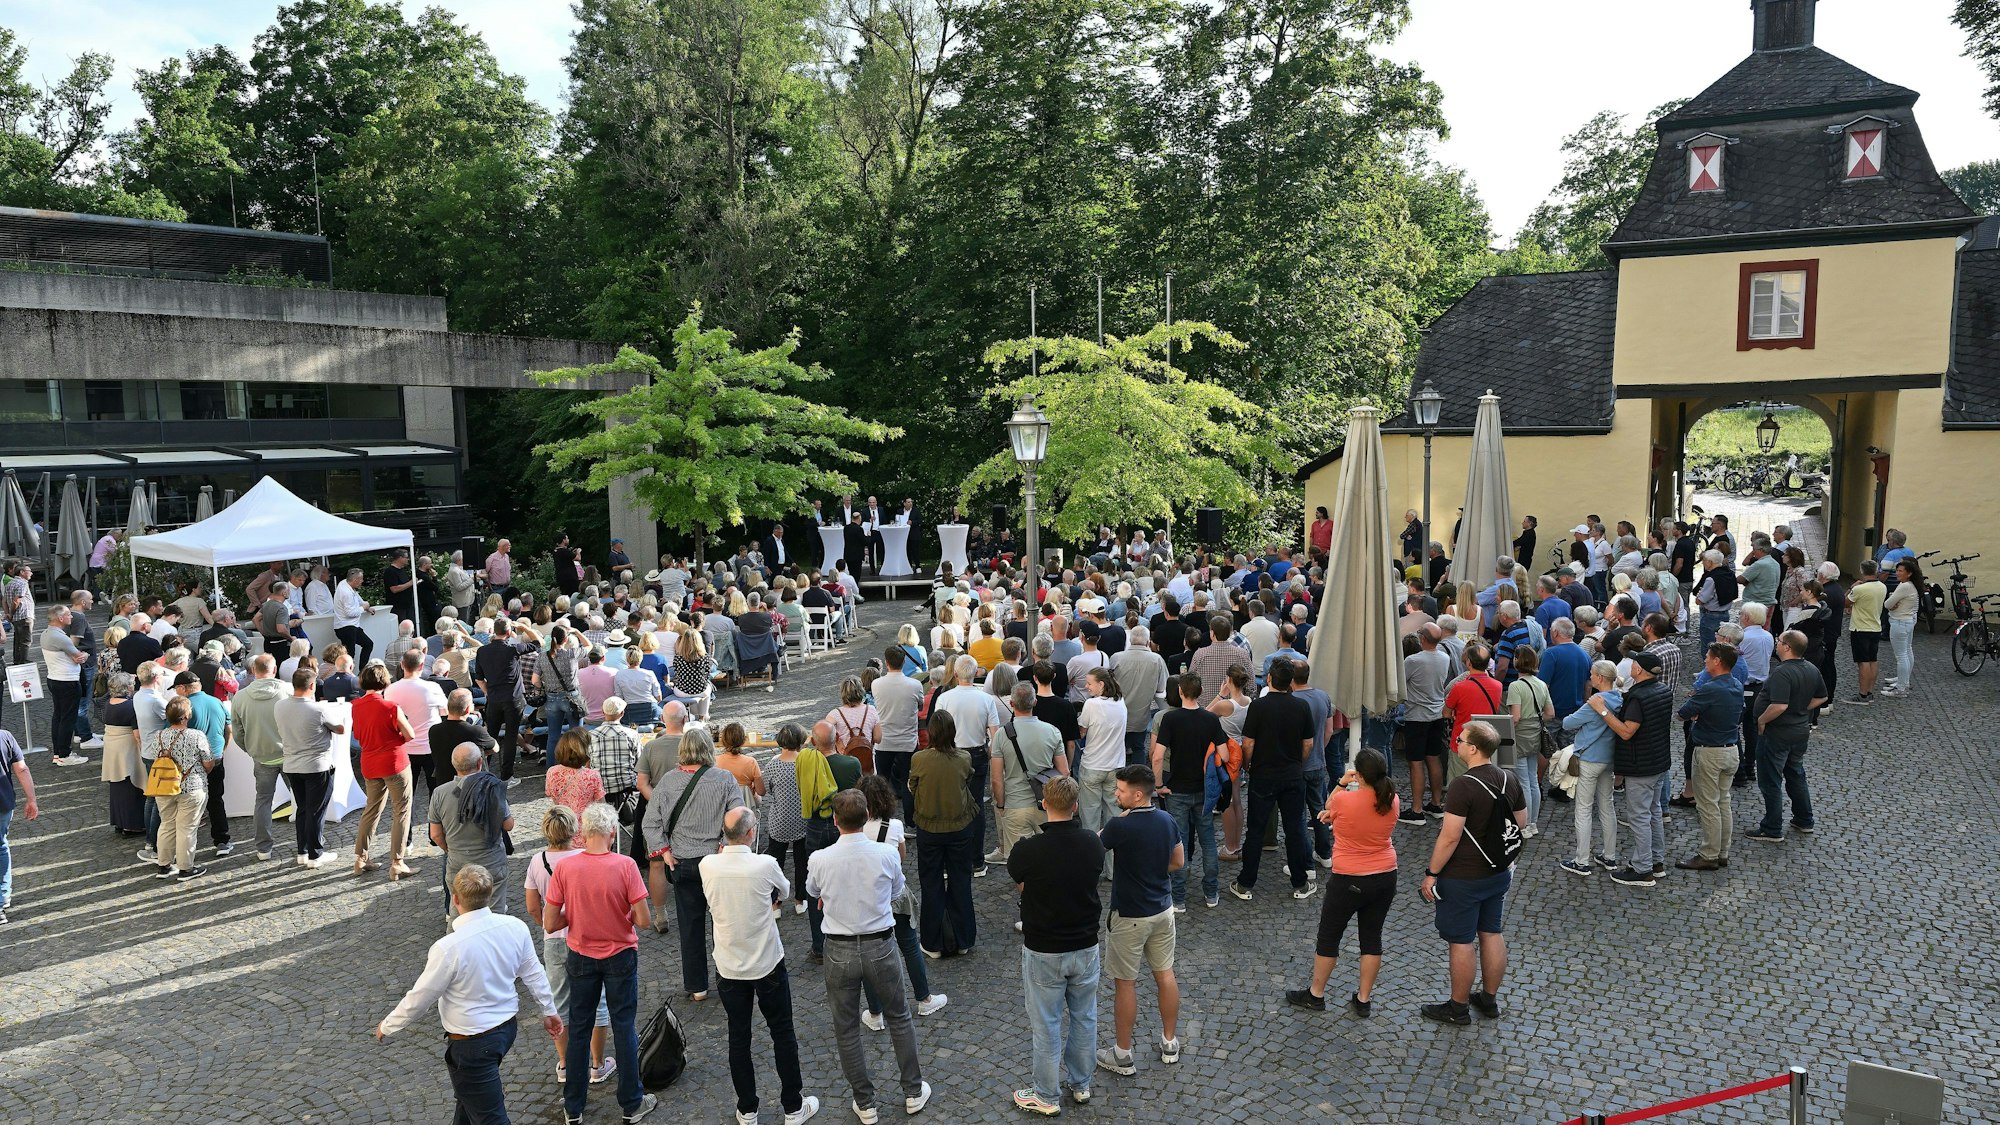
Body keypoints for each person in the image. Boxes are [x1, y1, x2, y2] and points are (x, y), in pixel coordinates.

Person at [376, 864, 563, 1125]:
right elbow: (533, 972)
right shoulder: (515, 927)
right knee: (469, 1100)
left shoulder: (448, 948)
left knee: (489, 1116)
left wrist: (389, 1025)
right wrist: (549, 1011)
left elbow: (421, 997)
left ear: (455, 898)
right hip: (505, 1031)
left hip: (472, 1044)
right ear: (490, 893)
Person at [807, 789, 933, 1122]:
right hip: (880, 943)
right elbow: (895, 892)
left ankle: (865, 1103)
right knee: (899, 1017)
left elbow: (812, 892)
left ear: (835, 821)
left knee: (846, 1028)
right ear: (866, 818)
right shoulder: (886, 855)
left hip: (838, 948)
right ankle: (913, 1091)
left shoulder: (819, 858)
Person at [542, 802, 659, 1125]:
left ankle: (574, 1106)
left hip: (580, 956)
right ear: (611, 833)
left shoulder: (565, 869)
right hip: (620, 955)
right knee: (624, 1026)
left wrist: (577, 914)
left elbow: (550, 923)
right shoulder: (625, 866)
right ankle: (631, 1103)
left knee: (578, 1028)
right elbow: (644, 920)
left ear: (583, 832)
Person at [705, 807, 821, 1125]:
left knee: (738, 1036)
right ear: (751, 832)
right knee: (782, 1032)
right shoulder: (765, 864)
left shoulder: (707, 865)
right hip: (766, 961)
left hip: (729, 965)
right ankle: (793, 1107)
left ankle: (747, 1108)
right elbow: (783, 890)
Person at [1417, 721, 1525, 1025]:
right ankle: (1488, 1000)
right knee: (1491, 932)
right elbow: (1519, 821)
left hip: (1463, 877)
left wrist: (1431, 873)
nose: (1457, 743)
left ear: (1473, 748)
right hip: (1498, 872)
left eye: (1461, 740)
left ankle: (1458, 1007)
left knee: (1461, 940)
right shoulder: (1509, 778)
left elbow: (1450, 836)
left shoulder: (1463, 785)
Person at [1007, 775, 1103, 1115]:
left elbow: (1019, 880)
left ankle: (1046, 1095)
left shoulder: (1028, 850)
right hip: (1085, 945)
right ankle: (1081, 1084)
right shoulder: (1092, 843)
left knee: (1046, 1023)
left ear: (1044, 804)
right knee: (1084, 1017)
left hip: (1044, 948)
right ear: (1076, 806)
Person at [1286, 748, 1399, 1015]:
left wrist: (1340, 783)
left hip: (1349, 877)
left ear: (1359, 774)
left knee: (1329, 937)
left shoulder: (1346, 801)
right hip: (1384, 875)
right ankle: (1363, 999)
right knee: (1372, 938)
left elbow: (1328, 806)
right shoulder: (1391, 799)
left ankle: (1316, 995)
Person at [640, 725, 744, 1000]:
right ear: (709, 748)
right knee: (726, 923)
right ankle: (731, 978)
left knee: (690, 928)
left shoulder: (668, 782)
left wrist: (663, 851)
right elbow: (739, 816)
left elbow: (650, 822)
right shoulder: (724, 778)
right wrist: (724, 842)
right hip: (717, 862)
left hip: (682, 863)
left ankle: (697, 987)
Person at [1093, 764, 1184, 1078]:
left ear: (1137, 794)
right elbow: (1178, 861)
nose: (1115, 795)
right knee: (1165, 976)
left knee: (1126, 984)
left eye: (1119, 791)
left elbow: (1092, 850)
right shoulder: (1167, 820)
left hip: (1130, 915)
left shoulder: (1121, 826)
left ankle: (1122, 1054)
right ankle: (1170, 1042)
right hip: (1162, 911)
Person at [523, 806, 614, 1087]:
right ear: (575, 830)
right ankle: (597, 1064)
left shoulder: (538, 861)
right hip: (586, 938)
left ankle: (565, 1064)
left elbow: (532, 906)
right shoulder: (583, 857)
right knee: (597, 1001)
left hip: (555, 942)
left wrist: (547, 926)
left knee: (558, 1002)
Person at [855, 775, 946, 1031]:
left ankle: (875, 1013)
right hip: (894, 895)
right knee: (910, 947)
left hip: (866, 899)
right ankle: (924, 998)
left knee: (869, 956)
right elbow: (900, 859)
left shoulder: (855, 830)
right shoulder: (894, 826)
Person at [1229, 658, 1315, 902]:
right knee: (1294, 830)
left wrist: (1248, 765)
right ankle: (1300, 882)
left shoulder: (1258, 707)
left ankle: (1246, 883)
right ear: (1290, 682)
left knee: (1255, 830)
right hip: (1292, 775)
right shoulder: (1301, 707)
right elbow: (1307, 743)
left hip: (1263, 776)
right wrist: (1297, 762)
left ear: (1269, 679)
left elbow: (1248, 742)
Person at [1594, 650, 1674, 887]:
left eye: (1634, 663)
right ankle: (1656, 862)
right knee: (1654, 812)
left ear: (1638, 670)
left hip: (1642, 764)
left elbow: (1627, 731)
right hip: (1659, 761)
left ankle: (1642, 869)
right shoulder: (1663, 690)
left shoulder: (1638, 697)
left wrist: (1603, 710)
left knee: (1639, 816)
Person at [1151, 673, 1225, 909]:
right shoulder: (1210, 720)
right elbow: (1224, 755)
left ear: (1181, 692)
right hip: (1204, 790)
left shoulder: (1170, 720)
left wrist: (1158, 785)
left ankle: (1179, 898)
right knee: (1208, 841)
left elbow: (1158, 756)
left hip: (1176, 790)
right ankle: (1211, 892)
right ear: (1201, 692)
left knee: (1179, 842)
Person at [907, 711, 978, 958]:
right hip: (960, 827)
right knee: (961, 882)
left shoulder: (919, 759)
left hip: (929, 827)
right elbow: (968, 780)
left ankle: (933, 942)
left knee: (931, 883)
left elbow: (912, 786)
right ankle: (964, 938)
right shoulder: (964, 757)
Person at [1749, 630, 1824, 843]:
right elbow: (1822, 697)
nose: (1777, 644)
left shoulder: (1782, 672)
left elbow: (1779, 705)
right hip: (1799, 731)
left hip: (1777, 733)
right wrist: (1800, 709)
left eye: (1779, 641)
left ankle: (1772, 828)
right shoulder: (1811, 668)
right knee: (1796, 774)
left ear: (1787, 647)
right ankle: (1804, 819)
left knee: (1771, 780)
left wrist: (1762, 720)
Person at [1675, 643, 1743, 872]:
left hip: (1710, 752)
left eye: (1707, 656)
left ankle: (1708, 854)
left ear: (1717, 661)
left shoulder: (1710, 688)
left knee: (1707, 806)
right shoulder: (1736, 684)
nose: (1704, 659)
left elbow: (1683, 713)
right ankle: (1722, 852)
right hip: (1730, 750)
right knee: (1723, 801)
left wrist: (1695, 714)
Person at [432, 743, 516, 916]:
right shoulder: (492, 789)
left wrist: (450, 849)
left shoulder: (440, 793)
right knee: (496, 914)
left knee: (457, 914)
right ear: (480, 763)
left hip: (457, 862)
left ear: (454, 764)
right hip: (492, 862)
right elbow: (508, 825)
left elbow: (435, 834)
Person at [352, 663, 418, 879]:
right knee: (401, 810)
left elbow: (360, 735)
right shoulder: (391, 707)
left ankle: (360, 858)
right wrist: (394, 739)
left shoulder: (356, 706)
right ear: (384, 682)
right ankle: (397, 861)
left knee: (371, 809)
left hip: (370, 762)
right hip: (394, 762)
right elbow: (410, 735)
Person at [275, 667, 345, 867]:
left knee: (303, 809)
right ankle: (315, 854)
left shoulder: (280, 706)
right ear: (312, 686)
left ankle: (302, 851)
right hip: (317, 765)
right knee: (316, 811)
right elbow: (340, 728)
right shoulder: (319, 709)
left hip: (291, 764)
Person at [991, 683, 1065, 863]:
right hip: (1046, 804)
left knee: (1019, 862)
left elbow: (996, 779)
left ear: (1011, 703)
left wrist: (1001, 805)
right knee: (1048, 858)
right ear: (1035, 702)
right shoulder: (1052, 731)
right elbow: (1064, 772)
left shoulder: (1001, 735)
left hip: (1015, 804)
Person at [147, 695, 214, 884]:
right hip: (192, 787)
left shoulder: (159, 736)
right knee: (187, 828)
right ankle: (186, 868)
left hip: (164, 786)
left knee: (167, 824)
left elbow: (155, 757)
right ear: (185, 716)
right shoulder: (196, 736)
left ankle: (164, 865)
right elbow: (208, 762)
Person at [1399, 625, 1453, 823]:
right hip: (1436, 714)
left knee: (1415, 763)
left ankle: (1416, 809)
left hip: (1417, 716)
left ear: (1422, 638)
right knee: (1434, 758)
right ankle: (1436, 803)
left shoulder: (1413, 661)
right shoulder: (1444, 658)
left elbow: (1400, 683)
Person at [1503, 645, 1552, 837]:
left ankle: (1524, 825)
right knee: (1533, 780)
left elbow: (1514, 718)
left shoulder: (1516, 686)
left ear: (1517, 662)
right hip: (1536, 735)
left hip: (1521, 737)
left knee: (1523, 783)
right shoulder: (1541, 683)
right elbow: (1550, 713)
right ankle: (1533, 823)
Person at [873, 647, 925, 815]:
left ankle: (882, 817)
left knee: (882, 783)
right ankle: (910, 821)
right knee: (908, 783)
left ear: (886, 663)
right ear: (904, 662)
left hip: (884, 741)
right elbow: (920, 706)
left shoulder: (876, 684)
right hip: (907, 742)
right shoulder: (915, 685)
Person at [1075, 667, 1128, 832]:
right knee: (1114, 818)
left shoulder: (1091, 704)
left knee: (1090, 818)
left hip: (1092, 765)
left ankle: (1092, 855)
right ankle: (1112, 856)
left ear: (1101, 684)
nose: (1086, 686)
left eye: (1089, 683)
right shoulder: (1120, 701)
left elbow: (1081, 732)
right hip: (1115, 766)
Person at [40, 605, 89, 765]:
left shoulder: (46, 633)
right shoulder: (60, 637)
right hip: (67, 681)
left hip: (54, 679)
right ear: (60, 618)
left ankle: (58, 753)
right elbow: (78, 656)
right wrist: (85, 655)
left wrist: (77, 656)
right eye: (68, 614)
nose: (71, 617)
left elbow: (75, 656)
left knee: (59, 717)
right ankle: (65, 755)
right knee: (67, 719)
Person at [0, 726, 38, 923]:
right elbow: (22, 769)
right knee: (1, 846)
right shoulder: (5, 736)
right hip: (3, 802)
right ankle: (3, 895)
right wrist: (31, 799)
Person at [1846, 560, 1885, 705]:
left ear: (1862, 571)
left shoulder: (1859, 589)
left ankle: (1862, 694)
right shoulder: (1882, 587)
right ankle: (1869, 691)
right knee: (1873, 660)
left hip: (1860, 628)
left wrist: (1852, 587)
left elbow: (1846, 602)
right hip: (1875, 627)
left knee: (1863, 662)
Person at [1882, 559, 1921, 698]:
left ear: (1909, 573)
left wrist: (1892, 599)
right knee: (1907, 651)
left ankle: (1901, 688)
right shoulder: (1909, 585)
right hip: (1907, 621)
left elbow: (1887, 604)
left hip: (1900, 622)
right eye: (1897, 570)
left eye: (1900, 571)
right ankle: (1904, 681)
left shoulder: (1904, 587)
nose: (1897, 573)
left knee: (1901, 656)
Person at [546, 730, 608, 818]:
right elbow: (602, 806)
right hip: (586, 826)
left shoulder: (551, 772)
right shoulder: (592, 775)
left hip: (564, 824)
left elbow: (551, 794)